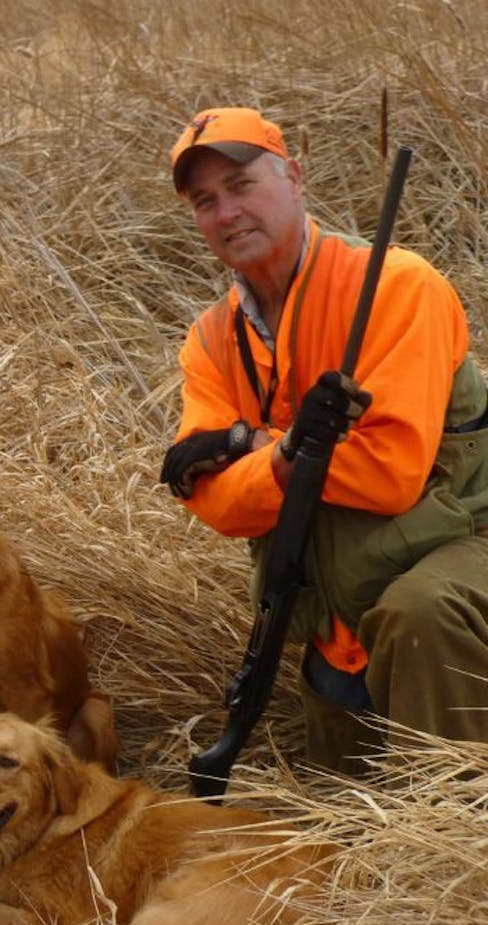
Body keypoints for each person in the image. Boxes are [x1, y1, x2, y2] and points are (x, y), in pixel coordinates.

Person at [159, 107, 488, 773]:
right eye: (205, 201)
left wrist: (251, 448)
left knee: (419, 613)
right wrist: (282, 454)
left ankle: (462, 834)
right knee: (346, 823)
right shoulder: (211, 341)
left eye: (242, 184)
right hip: (338, 593)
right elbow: (216, 504)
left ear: (296, 177)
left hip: (462, 544)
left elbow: (389, 473)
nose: (226, 212)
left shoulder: (398, 286)